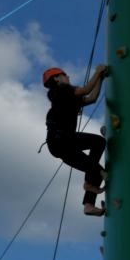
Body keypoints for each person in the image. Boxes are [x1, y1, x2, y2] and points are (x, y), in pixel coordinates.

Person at [42, 65, 108, 216]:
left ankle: (88, 205)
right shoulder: (60, 91)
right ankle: (93, 180)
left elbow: (92, 98)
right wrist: (98, 72)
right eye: (64, 75)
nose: (68, 77)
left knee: (94, 168)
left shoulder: (66, 97)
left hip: (62, 144)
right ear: (57, 79)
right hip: (62, 140)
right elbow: (86, 90)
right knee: (98, 146)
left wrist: (100, 79)